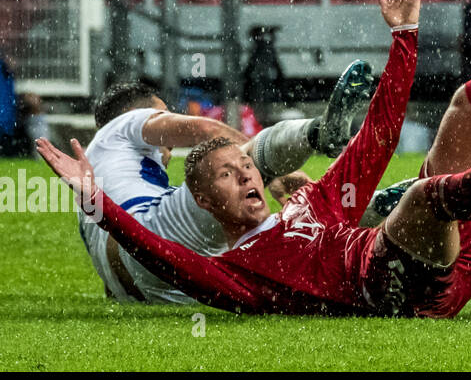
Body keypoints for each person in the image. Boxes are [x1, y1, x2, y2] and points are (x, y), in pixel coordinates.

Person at [42, 0, 471, 317]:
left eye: (245, 166)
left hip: (438, 258)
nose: (245, 176)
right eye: (227, 175)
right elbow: (158, 251)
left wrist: (404, 38)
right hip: (407, 292)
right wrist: (94, 201)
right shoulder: (238, 274)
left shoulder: (310, 204)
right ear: (206, 206)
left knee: (467, 109)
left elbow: (379, 139)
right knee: (426, 198)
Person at [64, 60, 377, 305]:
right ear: (137, 114)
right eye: (163, 115)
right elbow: (207, 131)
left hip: (160, 284)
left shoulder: (94, 190)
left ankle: (372, 226)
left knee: (280, 237)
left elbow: (114, 275)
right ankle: (319, 133)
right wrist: (272, 175)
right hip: (152, 234)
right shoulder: (124, 124)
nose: (170, 127)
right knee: (233, 164)